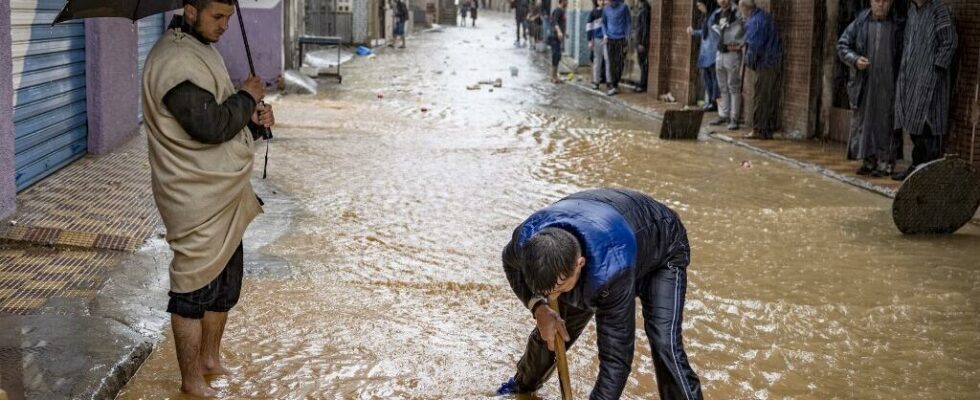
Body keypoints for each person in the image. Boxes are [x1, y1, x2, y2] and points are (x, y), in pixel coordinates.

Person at [141, 0, 275, 397]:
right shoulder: (173, 59)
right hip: (193, 195)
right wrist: (247, 97)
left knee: (224, 286)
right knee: (193, 289)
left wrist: (253, 120)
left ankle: (209, 361)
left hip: (224, 190)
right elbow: (208, 124)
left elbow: (221, 114)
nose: (225, 26)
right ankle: (190, 381)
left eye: (229, 18)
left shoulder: (203, 50)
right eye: (217, 17)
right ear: (190, 10)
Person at [495, 188, 703, 400]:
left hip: (661, 248)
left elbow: (616, 361)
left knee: (663, 342)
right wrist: (538, 307)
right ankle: (521, 388)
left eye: (558, 288)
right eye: (548, 291)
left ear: (579, 265)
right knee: (553, 328)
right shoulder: (525, 241)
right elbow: (510, 264)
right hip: (600, 219)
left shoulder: (610, 272)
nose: (553, 296)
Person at [838, 0, 905, 177]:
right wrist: (854, 59)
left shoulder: (899, 24)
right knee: (865, 122)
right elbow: (842, 45)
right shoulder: (860, 22)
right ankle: (869, 160)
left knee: (887, 123)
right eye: (877, 0)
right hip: (865, 82)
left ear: (891, 3)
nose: (880, 5)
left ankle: (886, 162)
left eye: (885, 1)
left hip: (890, 82)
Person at [892, 0, 958, 180]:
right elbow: (908, 44)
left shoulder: (939, 10)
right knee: (913, 125)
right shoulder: (912, 10)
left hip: (932, 82)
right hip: (911, 79)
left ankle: (928, 175)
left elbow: (949, 42)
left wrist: (935, 69)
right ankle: (916, 169)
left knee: (928, 127)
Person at [741, 0, 784, 140]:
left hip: (766, 63)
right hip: (773, 61)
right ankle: (767, 129)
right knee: (768, 96)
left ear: (745, 8)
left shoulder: (756, 21)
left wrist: (749, 63)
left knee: (761, 96)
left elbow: (754, 46)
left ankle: (759, 129)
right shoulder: (764, 17)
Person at [707, 0, 743, 129]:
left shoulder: (737, 12)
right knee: (722, 86)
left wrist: (739, 43)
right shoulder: (718, 13)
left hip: (732, 53)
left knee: (733, 86)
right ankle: (724, 115)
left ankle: (734, 118)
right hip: (720, 52)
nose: (722, 1)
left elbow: (742, 31)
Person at [688, 0, 720, 111]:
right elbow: (705, 32)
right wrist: (694, 32)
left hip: (713, 51)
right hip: (706, 52)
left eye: (700, 5)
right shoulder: (708, 16)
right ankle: (711, 101)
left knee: (714, 79)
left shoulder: (715, 15)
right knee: (708, 78)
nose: (699, 8)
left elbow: (717, 33)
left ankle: (714, 101)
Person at [602, 0, 631, 96]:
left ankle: (615, 82)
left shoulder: (624, 7)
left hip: (621, 39)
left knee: (620, 62)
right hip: (610, 39)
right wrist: (605, 34)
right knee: (611, 62)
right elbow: (603, 23)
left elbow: (628, 23)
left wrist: (627, 37)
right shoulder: (606, 9)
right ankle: (613, 85)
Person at [588, 0, 608, 90]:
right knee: (597, 60)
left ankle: (609, 82)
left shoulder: (608, 11)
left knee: (608, 61)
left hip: (607, 39)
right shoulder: (593, 12)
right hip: (596, 39)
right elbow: (589, 27)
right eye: (600, 0)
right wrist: (590, 40)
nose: (602, 1)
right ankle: (596, 82)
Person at [632, 0, 651, 93]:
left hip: (642, 42)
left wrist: (641, 42)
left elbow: (644, 28)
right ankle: (643, 83)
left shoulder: (644, 11)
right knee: (642, 63)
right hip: (641, 41)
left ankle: (643, 84)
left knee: (643, 63)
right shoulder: (643, 9)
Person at [548, 0, 568, 83]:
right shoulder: (558, 10)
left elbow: (560, 23)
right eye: (566, 1)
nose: (567, 3)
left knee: (558, 55)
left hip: (557, 37)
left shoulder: (562, 11)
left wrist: (564, 33)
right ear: (562, 1)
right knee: (556, 55)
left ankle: (554, 76)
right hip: (554, 36)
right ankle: (553, 77)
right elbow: (555, 22)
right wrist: (559, 32)